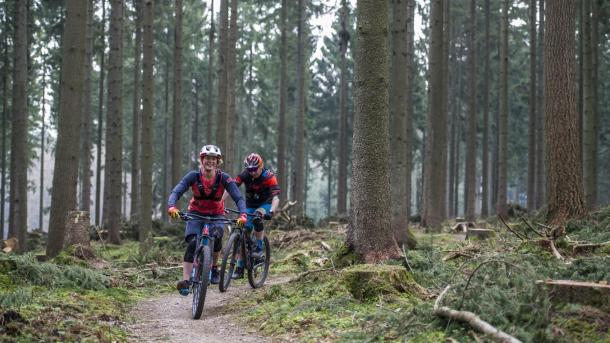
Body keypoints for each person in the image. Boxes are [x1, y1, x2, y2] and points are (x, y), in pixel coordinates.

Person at [167, 144, 247, 295]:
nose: (210, 162)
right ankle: (185, 281)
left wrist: (243, 214)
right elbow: (177, 191)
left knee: (216, 238)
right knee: (192, 243)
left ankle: (214, 268)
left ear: (218, 162)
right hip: (196, 213)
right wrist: (171, 206)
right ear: (202, 160)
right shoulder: (193, 176)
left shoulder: (224, 178)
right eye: (207, 158)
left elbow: (238, 197)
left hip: (216, 214)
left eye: (213, 159)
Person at [225, 153, 280, 279]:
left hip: (265, 204)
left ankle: (259, 249)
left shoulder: (269, 176)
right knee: (241, 231)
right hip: (249, 205)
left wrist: (271, 211)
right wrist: (220, 202)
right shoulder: (245, 175)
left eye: (255, 169)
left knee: (257, 218)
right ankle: (239, 267)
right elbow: (230, 188)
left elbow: (276, 198)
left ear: (261, 166)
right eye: (249, 170)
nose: (252, 172)